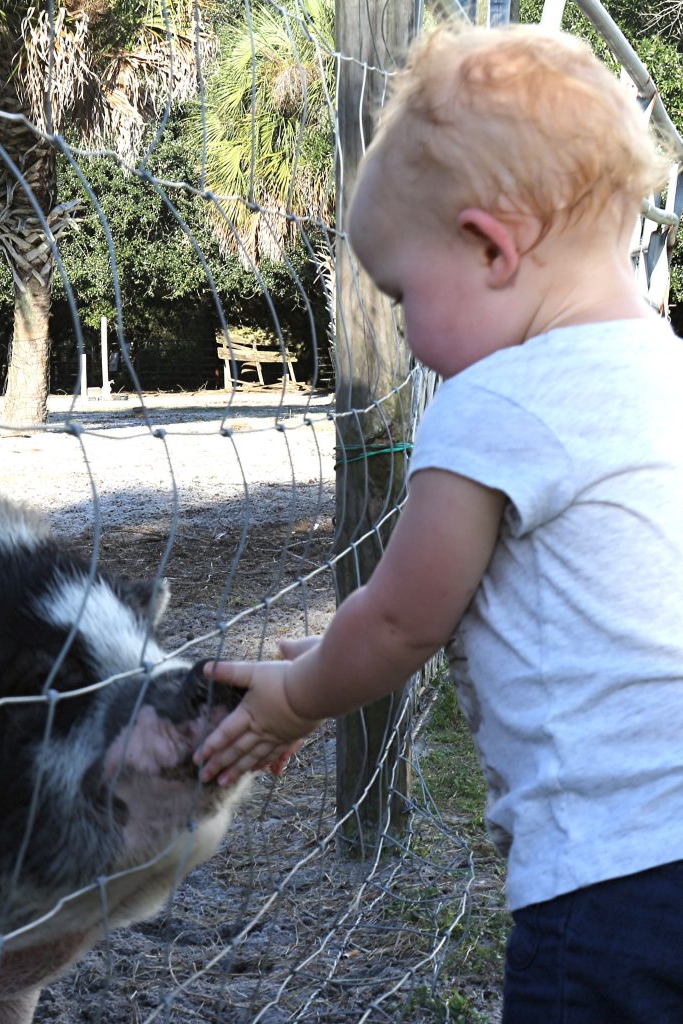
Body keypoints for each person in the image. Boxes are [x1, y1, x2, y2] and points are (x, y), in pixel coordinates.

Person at [194, 23, 683, 1023]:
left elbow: (398, 622)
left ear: (492, 249)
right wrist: (335, 648)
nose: (402, 329)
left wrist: (297, 693)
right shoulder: (660, 372)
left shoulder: (494, 401)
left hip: (612, 885)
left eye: (401, 294)